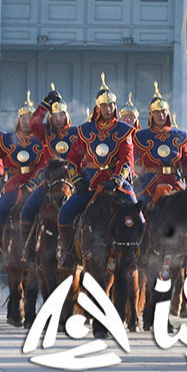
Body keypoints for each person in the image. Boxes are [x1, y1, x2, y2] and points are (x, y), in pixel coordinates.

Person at [56, 75, 136, 269]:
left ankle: (137, 255)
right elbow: (73, 160)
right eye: (104, 106)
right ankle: (67, 253)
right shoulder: (85, 130)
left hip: (115, 182)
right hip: (90, 182)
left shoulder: (124, 130)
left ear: (115, 106)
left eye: (111, 105)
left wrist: (116, 180)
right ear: (97, 108)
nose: (108, 109)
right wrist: (77, 180)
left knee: (136, 213)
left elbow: (127, 160)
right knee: (65, 213)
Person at [133, 84, 187, 204]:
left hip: (174, 180)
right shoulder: (141, 136)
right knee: (138, 207)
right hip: (150, 181)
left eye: (163, 112)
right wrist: (135, 171)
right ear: (151, 115)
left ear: (168, 113)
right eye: (157, 113)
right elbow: (133, 157)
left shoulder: (178, 135)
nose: (161, 116)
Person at [0, 93, 45, 234]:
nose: (26, 121)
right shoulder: (7, 139)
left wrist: (34, 183)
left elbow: (45, 164)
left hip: (36, 183)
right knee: (2, 208)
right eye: (23, 118)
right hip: (14, 182)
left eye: (30, 118)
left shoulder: (42, 139)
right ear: (18, 120)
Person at [31, 86, 77, 162]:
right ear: (50, 117)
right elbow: (34, 123)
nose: (58, 119)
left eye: (61, 115)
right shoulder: (45, 132)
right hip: (50, 171)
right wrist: (45, 103)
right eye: (55, 115)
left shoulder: (76, 132)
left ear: (66, 116)